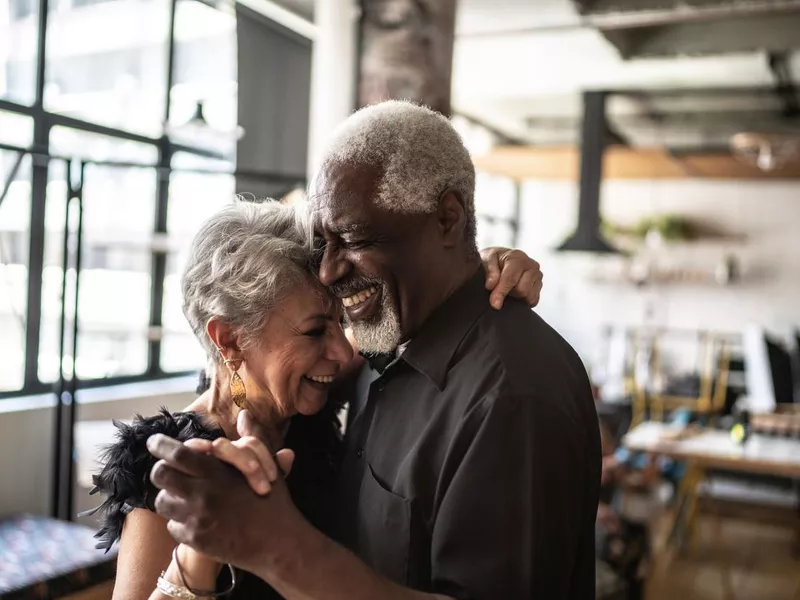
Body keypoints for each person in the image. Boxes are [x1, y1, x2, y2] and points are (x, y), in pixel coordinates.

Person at [147, 101, 601, 599]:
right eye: (325, 243)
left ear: (448, 219)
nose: (329, 270)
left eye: (355, 238)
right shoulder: (385, 350)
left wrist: (279, 546)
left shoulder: (513, 395)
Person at [89, 198, 544, 600]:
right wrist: (200, 551)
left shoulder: (314, 398)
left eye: (339, 323)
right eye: (313, 332)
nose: (344, 352)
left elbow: (422, 313)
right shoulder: (170, 468)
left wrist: (484, 266)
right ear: (228, 340)